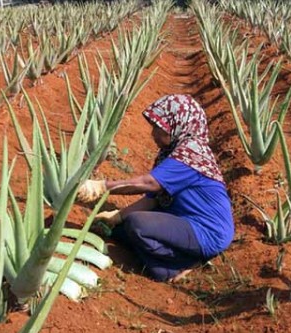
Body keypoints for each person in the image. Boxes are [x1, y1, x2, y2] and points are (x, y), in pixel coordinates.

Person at [77, 94, 234, 282]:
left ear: (178, 125)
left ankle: (184, 262)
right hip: (182, 220)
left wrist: (102, 186)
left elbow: (149, 183)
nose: (154, 134)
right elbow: (151, 200)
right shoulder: (171, 153)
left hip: (206, 231)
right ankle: (164, 265)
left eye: (159, 128)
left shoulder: (191, 155)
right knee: (119, 230)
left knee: (137, 224)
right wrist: (117, 217)